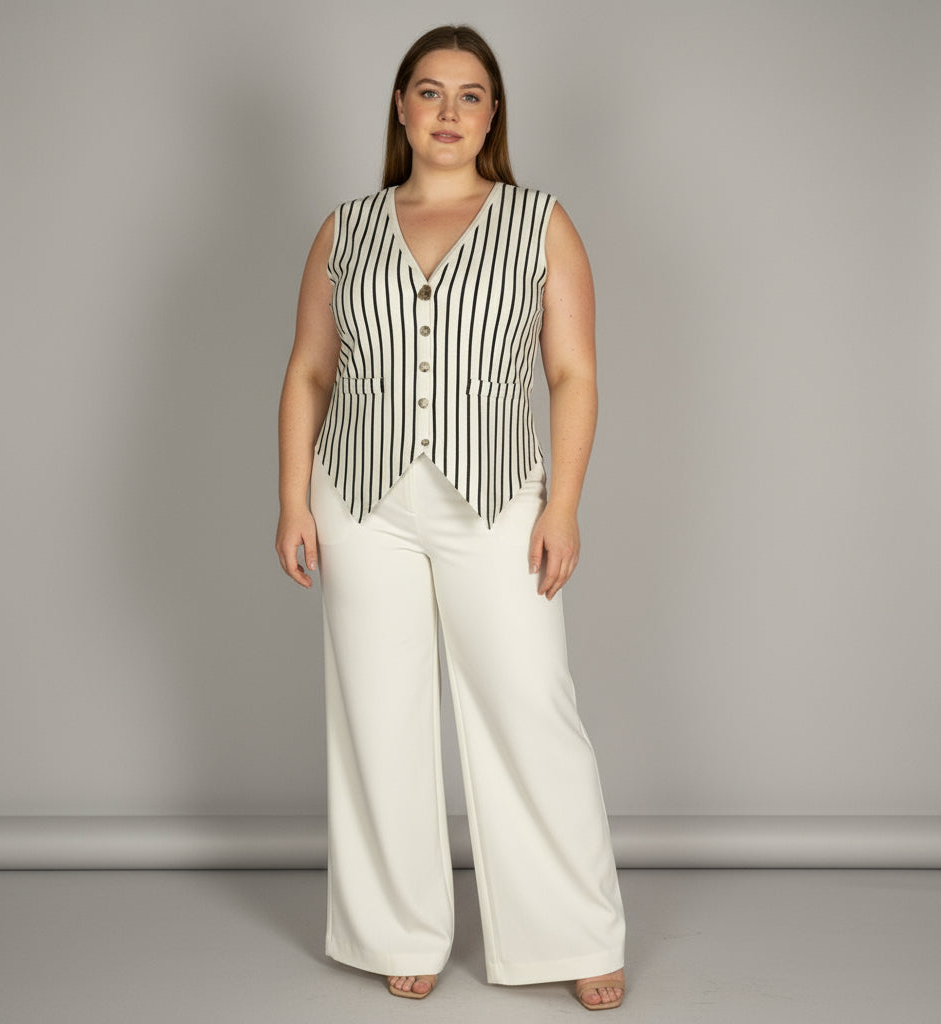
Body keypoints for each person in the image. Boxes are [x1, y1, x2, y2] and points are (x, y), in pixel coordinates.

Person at [276, 25, 626, 1011]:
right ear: (399, 106)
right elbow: (309, 369)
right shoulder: (345, 227)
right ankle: (401, 925)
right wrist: (292, 496)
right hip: (359, 498)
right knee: (378, 714)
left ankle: (577, 927)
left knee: (527, 705)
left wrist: (563, 501)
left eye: (469, 96)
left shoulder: (538, 222)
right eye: (427, 92)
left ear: (493, 114)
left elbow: (573, 373)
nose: (446, 112)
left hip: (498, 497)